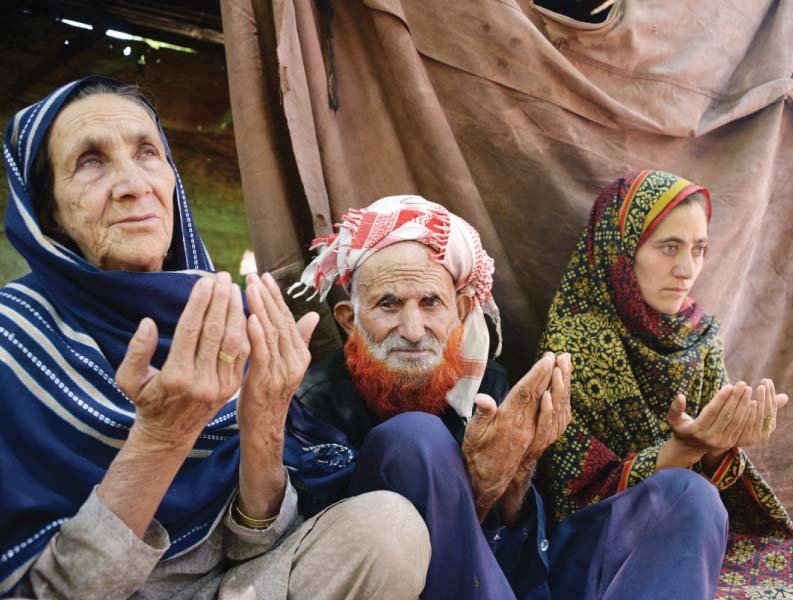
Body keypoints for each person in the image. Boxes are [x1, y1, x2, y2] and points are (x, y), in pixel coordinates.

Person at [0, 77, 430, 599]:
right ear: (48, 213)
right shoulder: (13, 340)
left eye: (147, 153)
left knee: (388, 528)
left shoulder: (221, 317)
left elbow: (253, 546)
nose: (133, 183)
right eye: (90, 161)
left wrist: (264, 423)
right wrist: (161, 440)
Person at [285, 194, 729, 599]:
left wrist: (516, 475)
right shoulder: (315, 402)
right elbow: (349, 555)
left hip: (512, 577)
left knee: (687, 496)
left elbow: (522, 544)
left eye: (430, 303)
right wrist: (474, 488)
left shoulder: (489, 387)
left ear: (459, 312)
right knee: (414, 439)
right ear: (348, 321)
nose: (414, 330)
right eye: (387, 305)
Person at [537, 170, 793, 597]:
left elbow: (716, 493)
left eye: (699, 250)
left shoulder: (698, 339)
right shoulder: (574, 343)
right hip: (587, 549)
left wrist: (718, 446)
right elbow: (570, 500)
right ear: (622, 250)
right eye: (668, 247)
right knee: (689, 493)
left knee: (694, 496)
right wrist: (682, 452)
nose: (686, 269)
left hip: (684, 536)